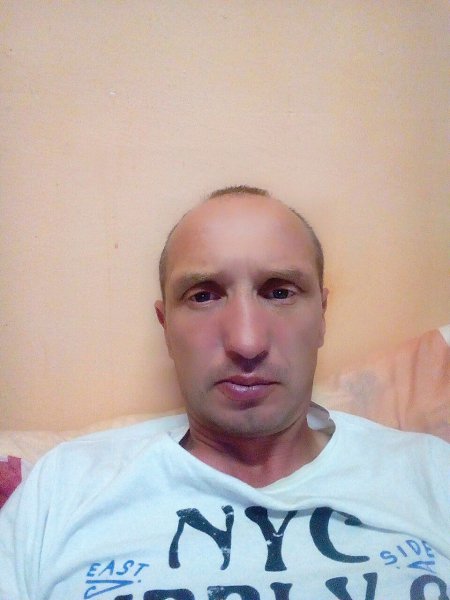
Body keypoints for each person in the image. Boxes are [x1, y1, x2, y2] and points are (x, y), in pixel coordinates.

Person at [0, 186, 448, 600]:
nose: (247, 343)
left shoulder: (429, 474)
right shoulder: (64, 487)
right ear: (166, 328)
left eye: (279, 292)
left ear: (322, 317)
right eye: (203, 296)